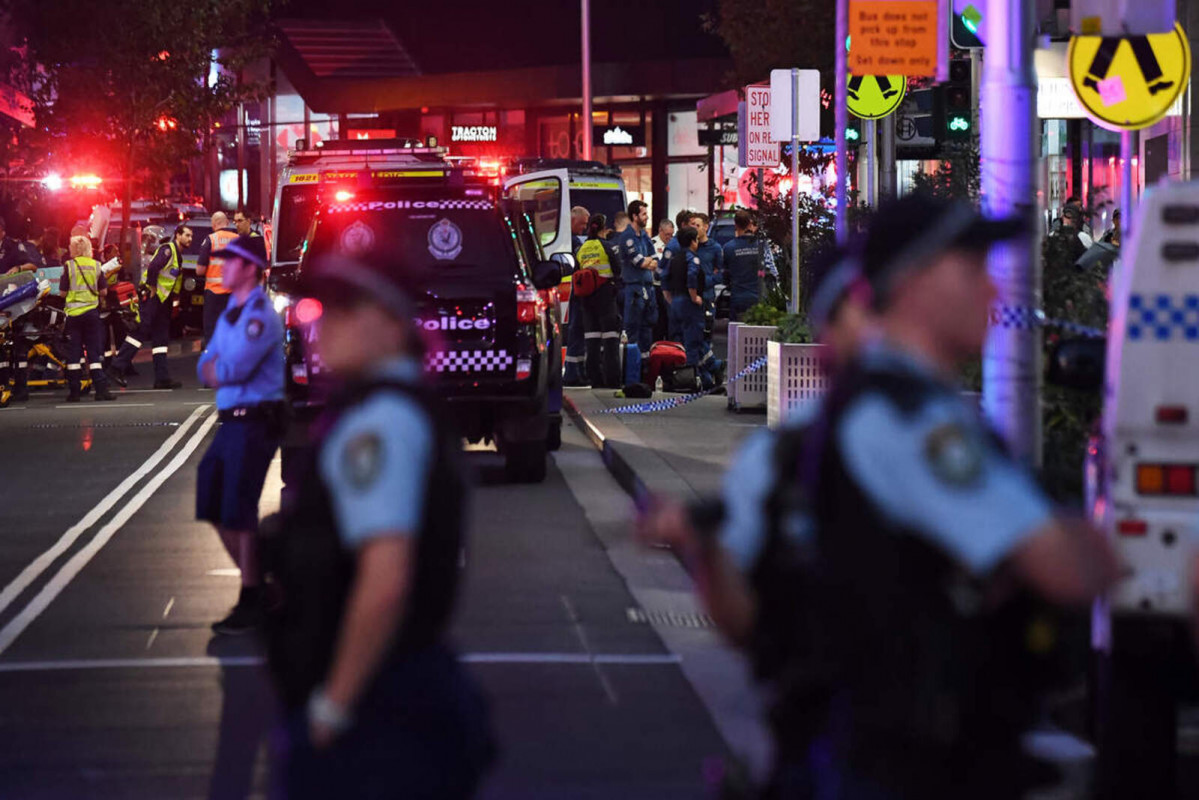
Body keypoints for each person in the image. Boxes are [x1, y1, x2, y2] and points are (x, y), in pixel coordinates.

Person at [798, 195, 1120, 797]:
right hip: (910, 767)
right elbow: (1061, 567)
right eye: (972, 270)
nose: (995, 293)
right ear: (913, 282)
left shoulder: (919, 405)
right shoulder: (908, 420)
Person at [637, 245, 876, 797]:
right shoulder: (786, 456)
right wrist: (704, 548)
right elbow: (742, 619)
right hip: (839, 741)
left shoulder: (947, 435)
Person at [265, 253, 494, 798]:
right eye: (322, 308)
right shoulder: (386, 408)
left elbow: (385, 576)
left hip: (381, 709)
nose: (324, 321)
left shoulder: (381, 422)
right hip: (396, 697)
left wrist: (333, 707)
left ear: (393, 323)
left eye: (348, 308)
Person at [197, 235, 284, 635]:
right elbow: (205, 365)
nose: (222, 267)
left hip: (254, 421)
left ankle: (253, 595)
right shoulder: (231, 310)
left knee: (238, 508)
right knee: (212, 500)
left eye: (230, 262)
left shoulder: (259, 316)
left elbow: (233, 368)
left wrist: (217, 367)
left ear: (250, 268)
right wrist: (214, 367)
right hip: (231, 419)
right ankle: (262, 580)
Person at [107, 224, 193, 389]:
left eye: (191, 236)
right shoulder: (168, 250)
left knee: (161, 338)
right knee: (140, 330)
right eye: (187, 235)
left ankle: (162, 378)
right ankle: (116, 367)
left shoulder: (178, 255)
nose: (190, 239)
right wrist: (153, 288)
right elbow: (153, 268)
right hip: (153, 298)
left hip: (162, 301)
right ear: (178, 235)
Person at [60, 235, 116, 402]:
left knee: (74, 354)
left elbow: (63, 293)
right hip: (92, 314)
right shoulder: (96, 265)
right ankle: (101, 390)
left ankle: (75, 392)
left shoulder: (69, 266)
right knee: (94, 352)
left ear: (74, 249)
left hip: (74, 316)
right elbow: (104, 292)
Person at [574, 213, 624, 388]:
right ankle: (612, 380)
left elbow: (576, 272)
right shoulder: (607, 247)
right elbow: (618, 270)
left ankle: (594, 379)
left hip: (587, 300)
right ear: (604, 229)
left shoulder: (580, 249)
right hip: (606, 297)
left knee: (592, 340)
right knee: (610, 340)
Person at [617, 199, 659, 357]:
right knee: (632, 329)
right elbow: (640, 262)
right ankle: (631, 370)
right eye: (644, 214)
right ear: (635, 216)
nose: (647, 217)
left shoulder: (644, 236)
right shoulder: (627, 237)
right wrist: (647, 261)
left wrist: (648, 261)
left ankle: (645, 367)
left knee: (647, 327)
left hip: (648, 287)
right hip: (633, 289)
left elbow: (655, 260)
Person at [196, 211, 239, 347]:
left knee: (212, 329)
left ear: (213, 225)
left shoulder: (211, 240)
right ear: (227, 223)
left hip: (213, 294)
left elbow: (200, 270)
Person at [563, 205, 591, 387]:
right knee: (576, 331)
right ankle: (573, 373)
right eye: (582, 224)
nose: (584, 228)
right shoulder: (572, 242)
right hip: (575, 292)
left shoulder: (569, 239)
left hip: (574, 290)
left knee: (577, 331)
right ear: (573, 221)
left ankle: (576, 371)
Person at [723, 211, 768, 320]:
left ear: (736, 225)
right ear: (749, 224)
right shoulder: (761, 245)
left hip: (738, 297)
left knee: (736, 331)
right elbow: (766, 270)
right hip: (758, 296)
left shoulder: (728, 247)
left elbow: (725, 274)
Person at [659, 210, 697, 341]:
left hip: (686, 295)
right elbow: (661, 271)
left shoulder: (690, 244)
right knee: (677, 333)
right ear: (683, 225)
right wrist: (668, 297)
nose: (695, 227)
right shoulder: (673, 246)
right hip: (676, 295)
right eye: (692, 224)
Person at [692, 213, 723, 344]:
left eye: (697, 225)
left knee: (707, 328)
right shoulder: (690, 246)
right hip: (691, 293)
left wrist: (708, 281)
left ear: (706, 227)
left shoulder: (715, 248)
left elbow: (721, 272)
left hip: (707, 294)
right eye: (693, 225)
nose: (694, 228)